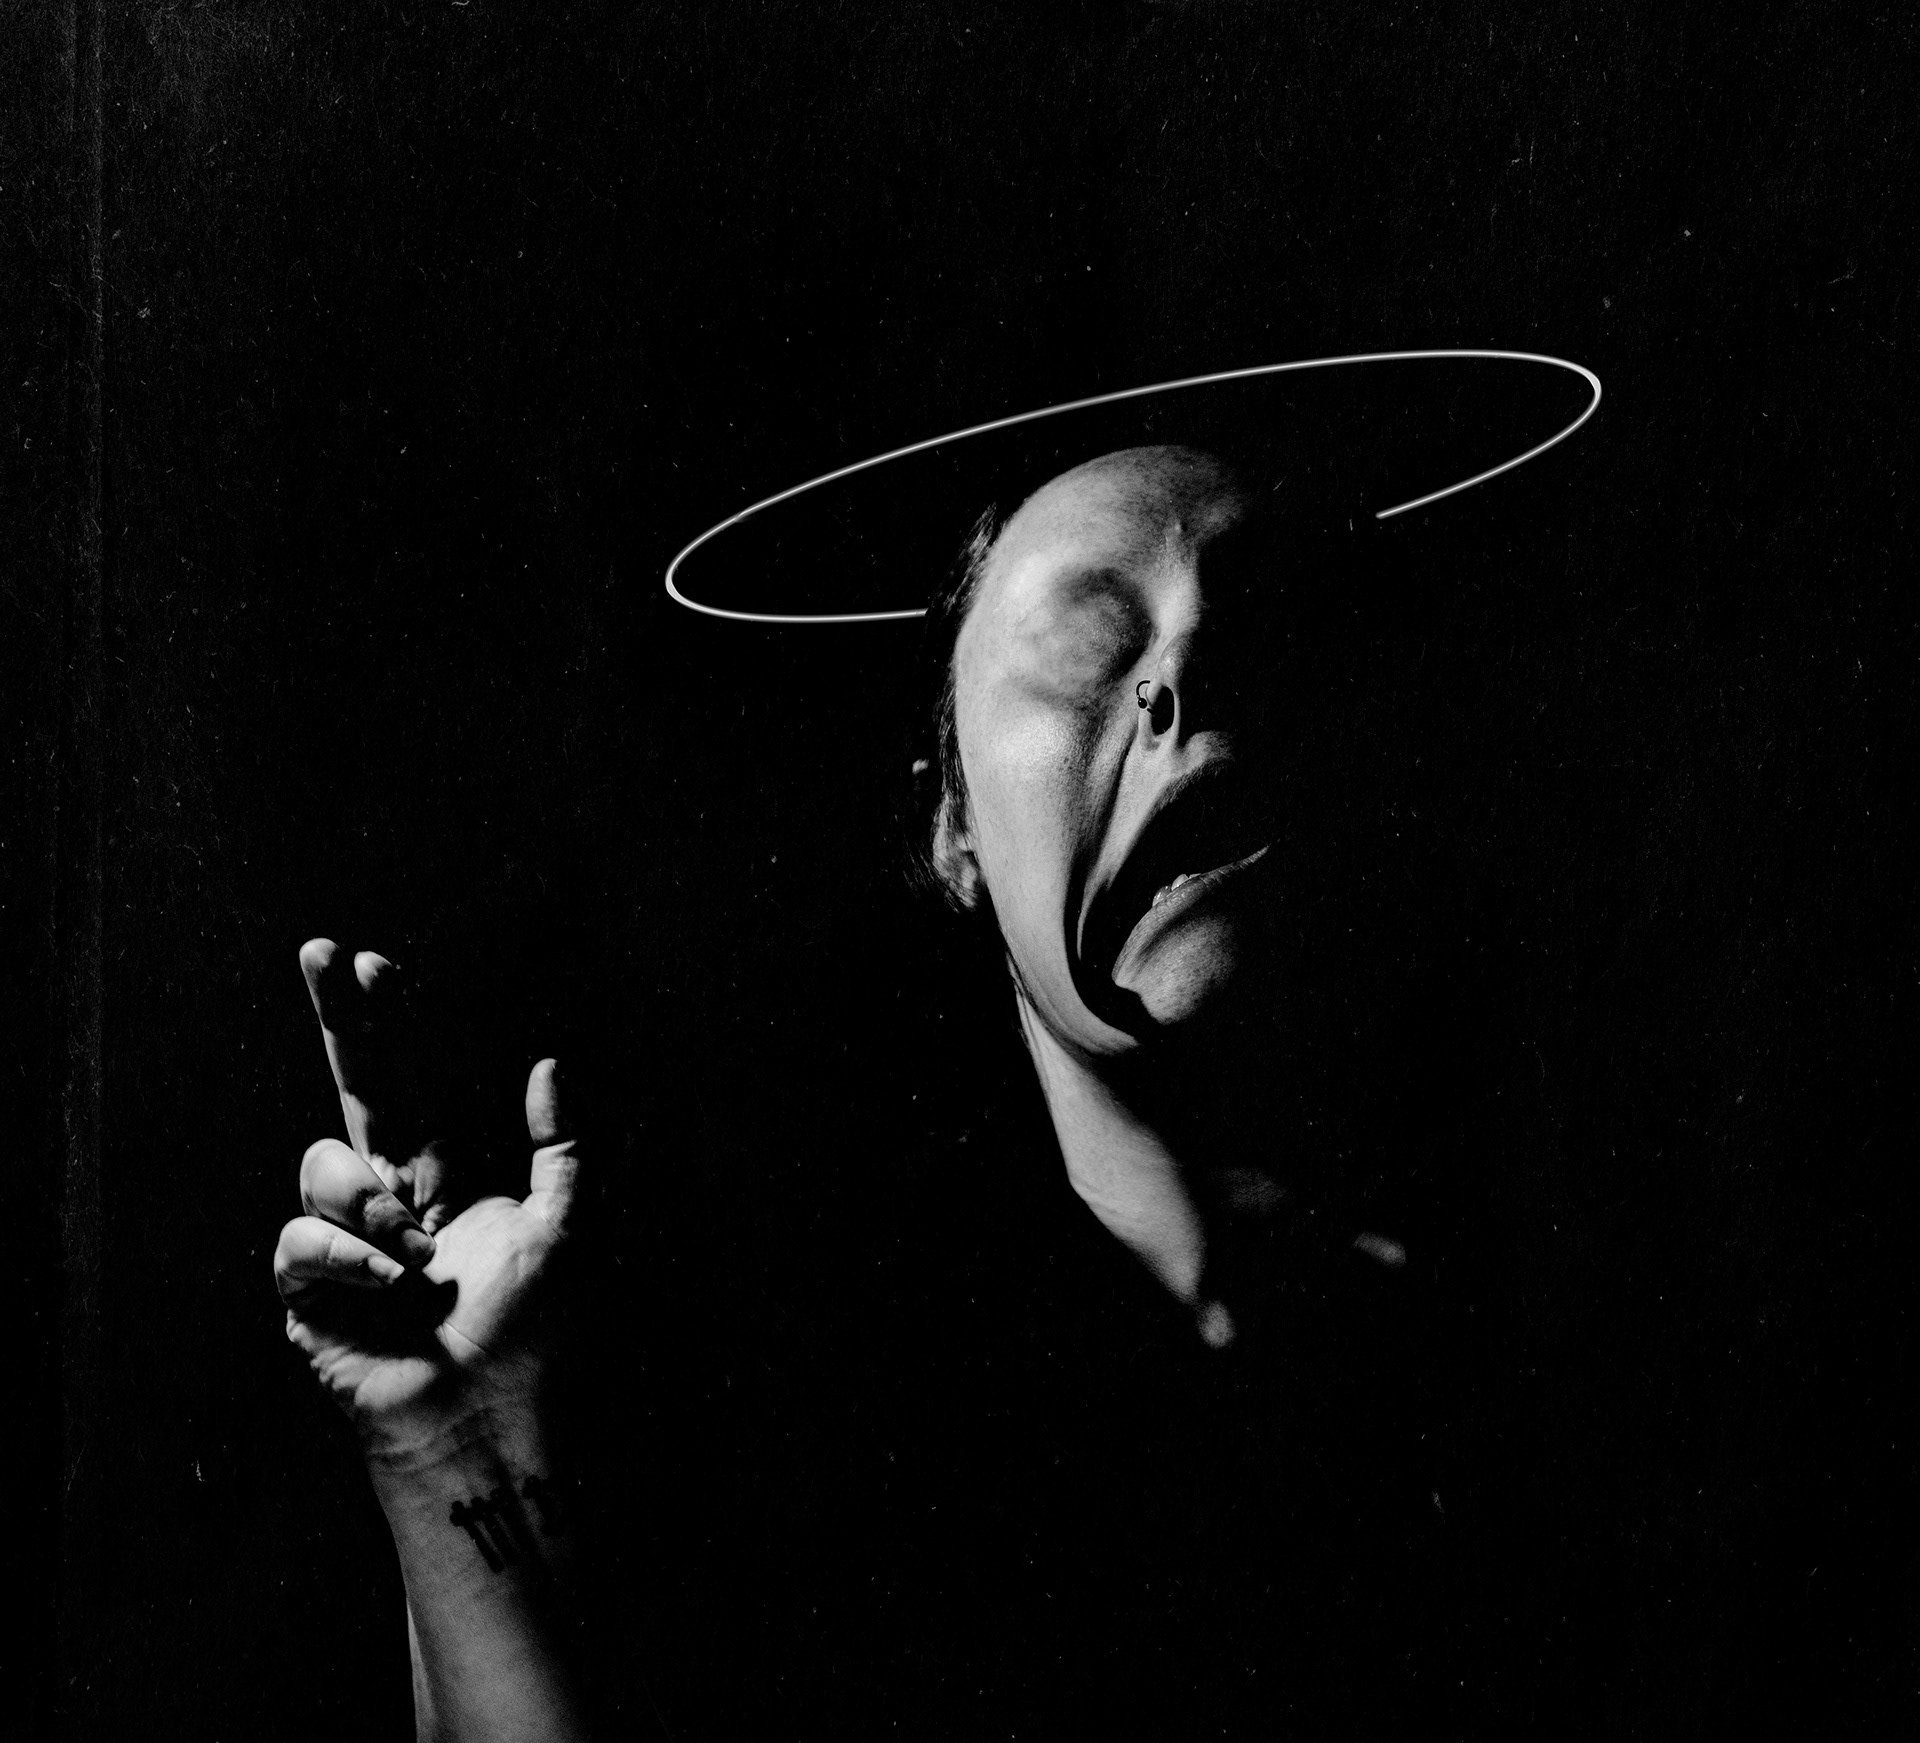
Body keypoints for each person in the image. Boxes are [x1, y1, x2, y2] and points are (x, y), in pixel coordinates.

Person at [275, 443, 1521, 1737]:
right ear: (954, 830)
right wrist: (452, 1463)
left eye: (1266, 613)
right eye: (1085, 639)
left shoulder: (1556, 1348)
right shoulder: (828, 1447)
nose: (1186, 669)